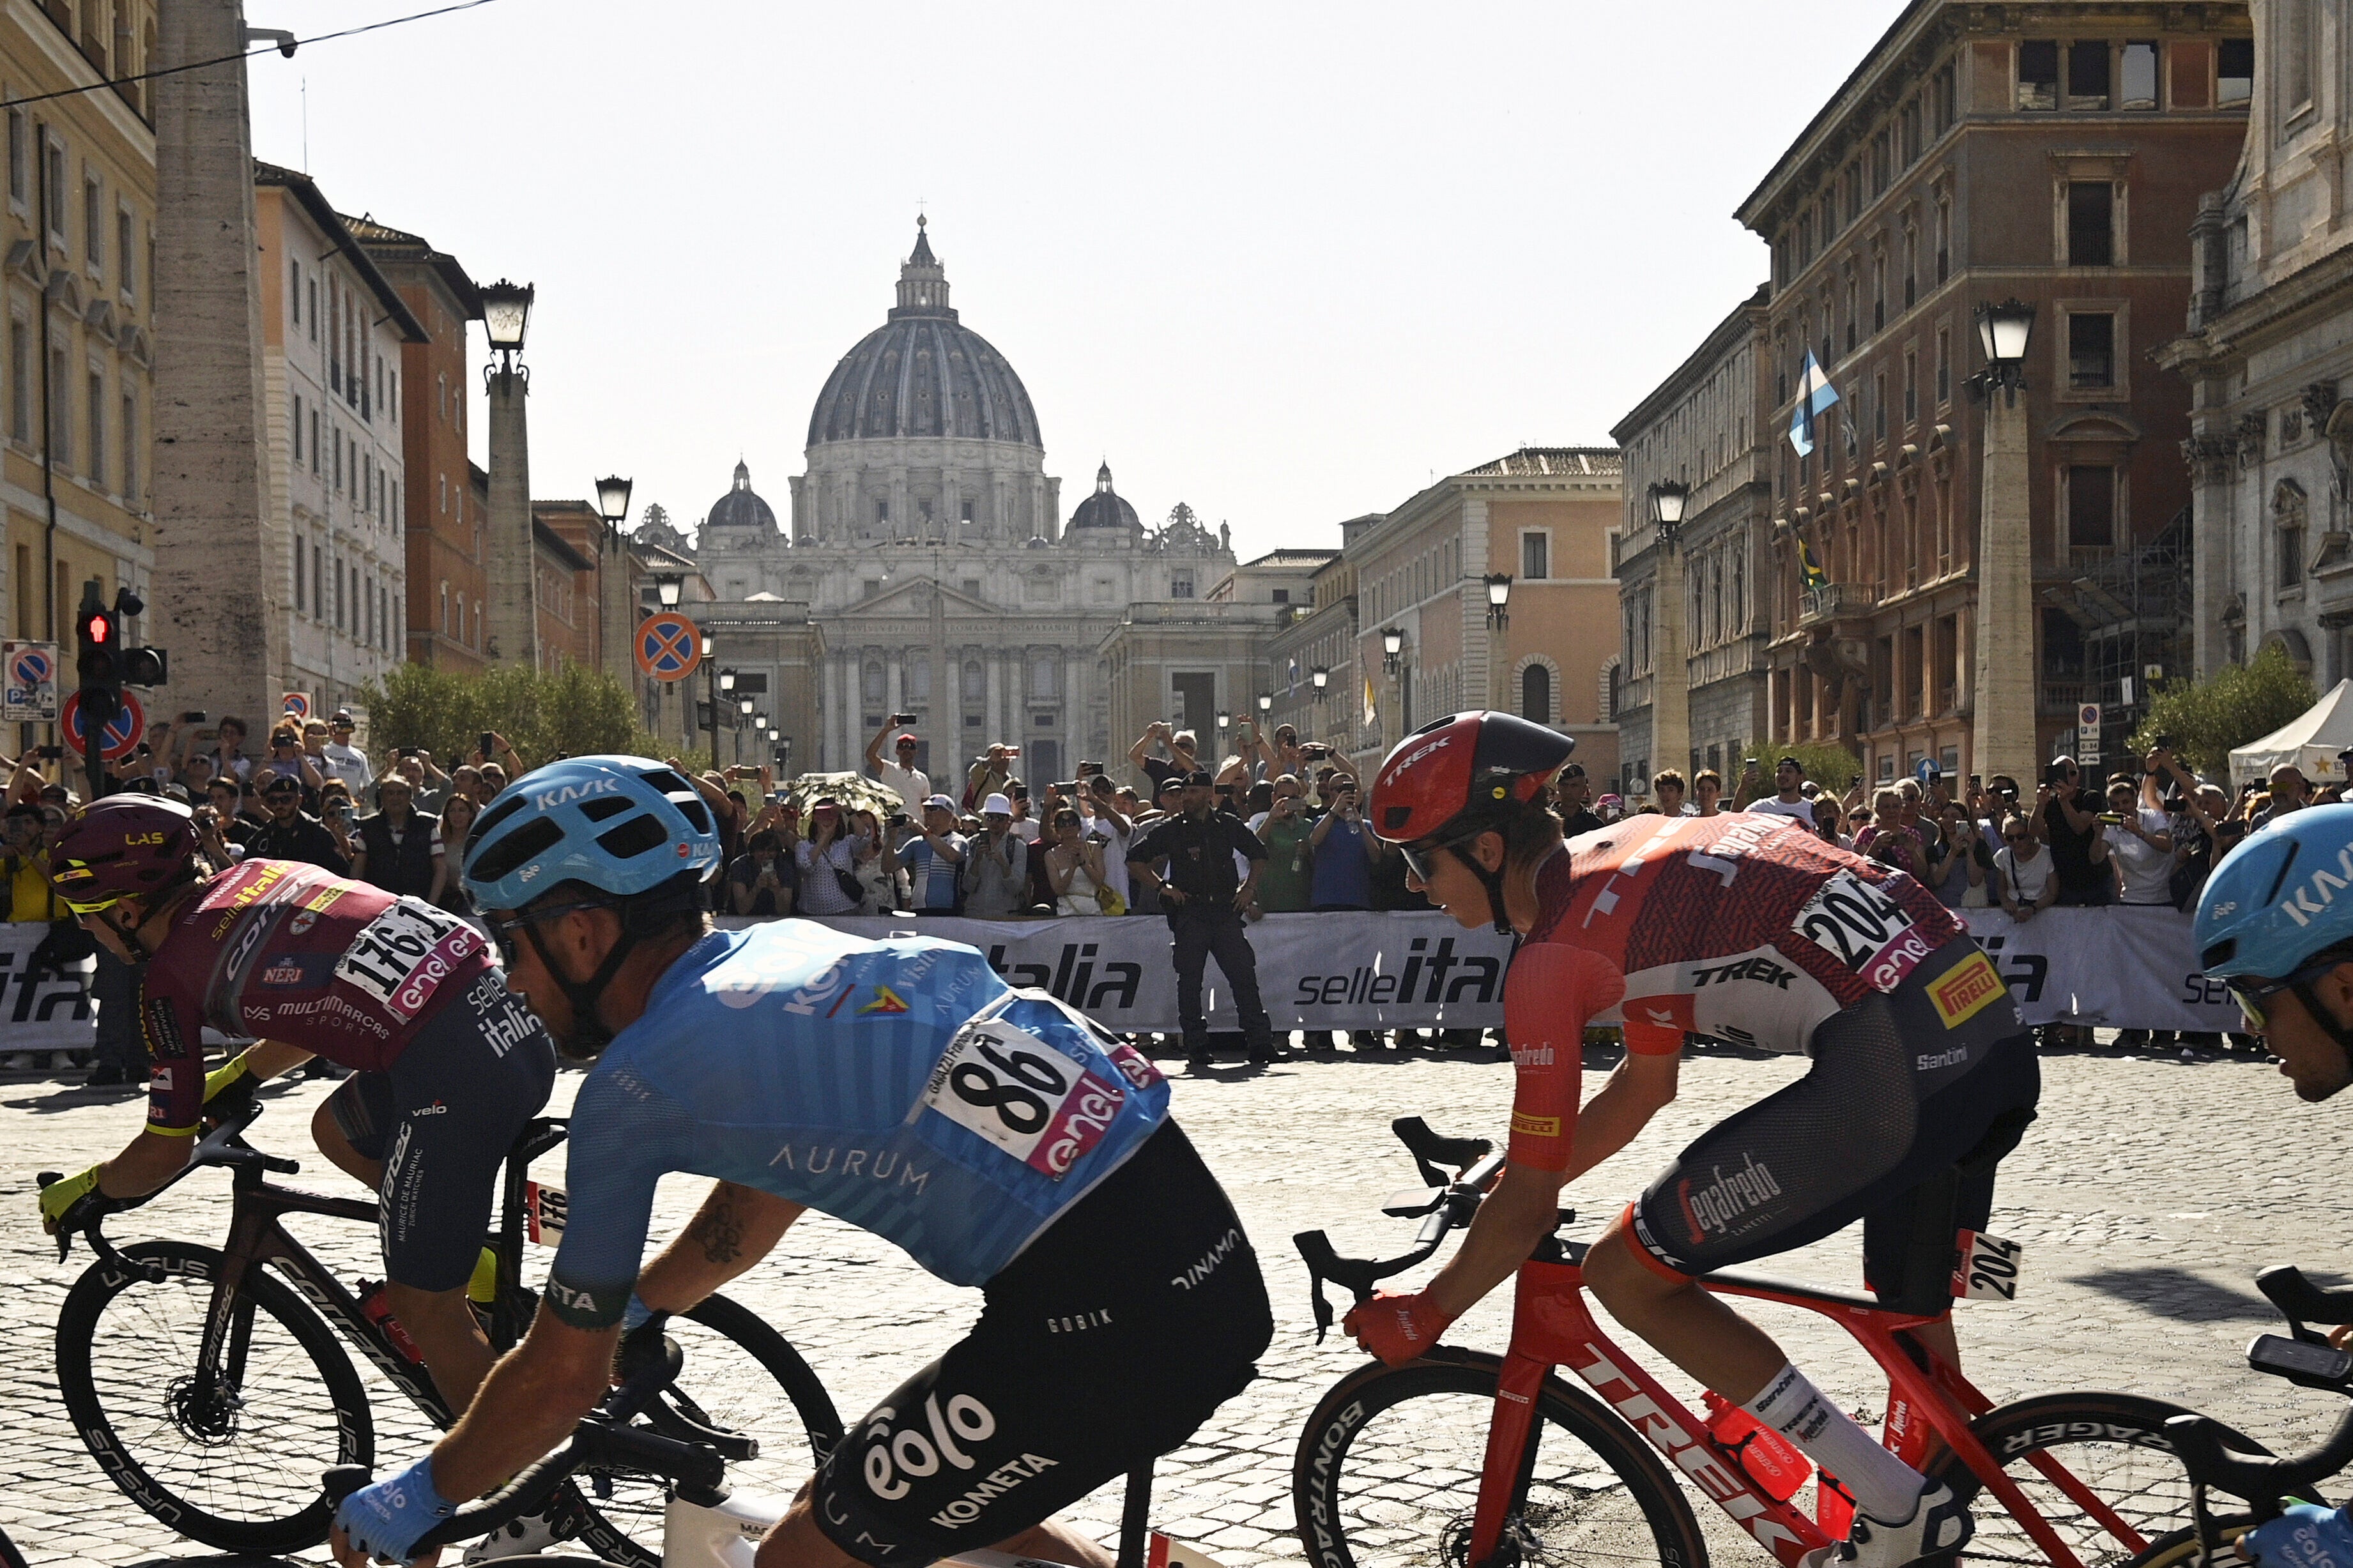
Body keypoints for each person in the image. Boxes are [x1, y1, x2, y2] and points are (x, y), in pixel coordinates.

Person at [330, 757, 1273, 1568]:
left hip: (1102, 1312)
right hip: (1192, 1240)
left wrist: (418, 1492)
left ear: (579, 933)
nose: (511, 982)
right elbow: (768, 1179)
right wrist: (646, 1301)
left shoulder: (631, 1087)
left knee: (797, 1556)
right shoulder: (776, 953)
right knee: (957, 1505)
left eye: (510, 944)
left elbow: (557, 1380)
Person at [1351, 710, 2039, 1568]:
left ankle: (1899, 1506)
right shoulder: (1628, 852)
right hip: (1987, 1033)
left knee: (1622, 1270)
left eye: (1422, 861)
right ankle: (1930, 1511)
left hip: (1894, 1068)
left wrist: (1426, 1309)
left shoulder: (1551, 956)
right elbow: (1643, 1084)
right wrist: (1509, 1172)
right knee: (1905, 1310)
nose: (1417, 885)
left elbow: (1531, 1202)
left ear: (1487, 851)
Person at [34, 795, 558, 1427]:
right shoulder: (259, 873)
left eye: (84, 915)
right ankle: (484, 1263)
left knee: (425, 1308)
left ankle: (525, 1497)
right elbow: (317, 996)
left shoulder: (169, 979)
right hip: (511, 1024)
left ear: (122, 910)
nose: (84, 929)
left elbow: (164, 1149)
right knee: (337, 1129)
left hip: (455, 1072)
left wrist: (90, 1191)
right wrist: (241, 1073)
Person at [1127, 771, 1280, 1069]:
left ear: (1209, 794)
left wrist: (1249, 888)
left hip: (1225, 911)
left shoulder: (1227, 825)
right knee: (1190, 982)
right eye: (1184, 792)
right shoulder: (1172, 828)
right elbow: (1135, 859)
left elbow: (1258, 854)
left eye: (1194, 792)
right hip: (1191, 913)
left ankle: (1260, 1043)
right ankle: (1197, 1047)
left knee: (1244, 978)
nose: (1186, 798)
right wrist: (1162, 887)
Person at [243, 772, 351, 875]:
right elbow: (246, 873)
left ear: (299, 800)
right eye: (273, 800)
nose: (279, 805)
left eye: (286, 799)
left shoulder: (317, 834)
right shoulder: (262, 838)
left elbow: (340, 872)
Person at [351, 775, 436, 899]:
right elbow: (358, 869)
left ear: (410, 796)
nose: (395, 798)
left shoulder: (428, 825)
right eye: (390, 793)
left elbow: (440, 869)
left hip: (419, 902)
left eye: (400, 793)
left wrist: (431, 904)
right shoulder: (368, 827)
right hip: (378, 901)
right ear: (382, 797)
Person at [1307, 773, 1377, 910]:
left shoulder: (1367, 826)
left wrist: (1361, 825)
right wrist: (1335, 811)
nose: (1346, 793)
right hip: (1326, 899)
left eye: (1350, 789)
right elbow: (1314, 840)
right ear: (1331, 793)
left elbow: (1376, 857)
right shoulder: (1321, 821)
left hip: (1358, 900)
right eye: (1340, 789)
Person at [959, 793, 1032, 917]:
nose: (994, 822)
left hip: (1005, 915)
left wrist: (1003, 864)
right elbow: (967, 886)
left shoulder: (1017, 846)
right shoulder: (972, 844)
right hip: (975, 914)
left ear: (1007, 820)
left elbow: (1017, 888)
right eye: (990, 818)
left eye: (999, 818)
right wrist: (976, 861)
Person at [793, 799, 867, 918]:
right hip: (812, 912)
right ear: (815, 818)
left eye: (831, 813)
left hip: (846, 909)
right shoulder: (803, 846)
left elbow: (863, 836)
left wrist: (849, 812)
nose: (827, 818)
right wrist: (824, 837)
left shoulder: (846, 843)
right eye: (823, 813)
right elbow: (805, 866)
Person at [898, 795, 967, 915]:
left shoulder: (958, 839)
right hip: (919, 909)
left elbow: (952, 856)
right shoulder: (917, 842)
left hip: (948, 910)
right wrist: (890, 838)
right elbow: (888, 867)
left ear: (948, 815)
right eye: (926, 809)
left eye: (933, 809)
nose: (928, 813)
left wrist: (925, 832)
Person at [1042, 806, 1108, 915]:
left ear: (1080, 827)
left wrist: (1083, 864)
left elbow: (1099, 882)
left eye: (1073, 823)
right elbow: (1059, 890)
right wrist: (1072, 867)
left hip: (1093, 910)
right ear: (1057, 830)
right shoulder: (1051, 855)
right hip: (1066, 911)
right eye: (1063, 824)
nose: (1068, 827)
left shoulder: (1094, 848)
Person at [1992, 815, 2056, 922]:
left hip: (2042, 909)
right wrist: (2006, 902)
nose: (2016, 842)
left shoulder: (2047, 855)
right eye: (2010, 838)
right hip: (2014, 911)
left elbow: (2053, 893)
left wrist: (2033, 909)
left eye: (2021, 836)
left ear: (2029, 835)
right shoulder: (2002, 856)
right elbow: (2002, 889)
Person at [427, 791, 479, 915]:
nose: (457, 815)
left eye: (462, 810)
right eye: (452, 811)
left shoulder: (476, 843)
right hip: (444, 900)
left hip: (471, 902)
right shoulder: (438, 842)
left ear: (470, 814)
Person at [728, 829, 797, 917]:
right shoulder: (740, 866)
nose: (766, 855)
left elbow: (784, 911)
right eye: (761, 850)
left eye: (771, 851)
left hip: (774, 919)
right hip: (741, 921)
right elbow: (742, 910)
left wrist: (777, 890)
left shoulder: (784, 867)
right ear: (753, 852)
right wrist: (756, 889)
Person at [866, 720, 931, 811]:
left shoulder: (923, 778)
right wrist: (886, 730)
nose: (907, 750)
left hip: (916, 824)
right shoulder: (889, 770)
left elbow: (926, 808)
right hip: (895, 824)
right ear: (897, 751)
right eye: (902, 747)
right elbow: (870, 755)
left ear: (916, 751)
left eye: (911, 747)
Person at [1738, 755, 1819, 823]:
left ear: (1800, 778)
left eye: (1789, 771)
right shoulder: (1762, 808)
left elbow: (1830, 837)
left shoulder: (1815, 809)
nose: (1783, 775)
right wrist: (1742, 788)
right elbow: (1735, 820)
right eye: (1779, 771)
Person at [319, 709, 374, 795]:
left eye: (346, 721)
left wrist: (359, 798)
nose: (343, 725)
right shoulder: (323, 751)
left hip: (350, 805)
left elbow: (367, 784)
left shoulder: (359, 756)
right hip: (328, 804)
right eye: (338, 721)